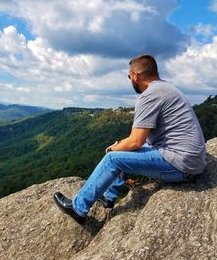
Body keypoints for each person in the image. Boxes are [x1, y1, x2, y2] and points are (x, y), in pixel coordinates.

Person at [53, 54, 207, 224]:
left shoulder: (149, 95)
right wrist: (123, 146)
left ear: (135, 75)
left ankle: (78, 208)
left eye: (129, 76)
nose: (130, 80)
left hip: (182, 164)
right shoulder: (167, 89)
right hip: (190, 160)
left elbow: (136, 142)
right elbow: (143, 140)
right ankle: (108, 196)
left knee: (113, 159)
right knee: (125, 151)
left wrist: (112, 150)